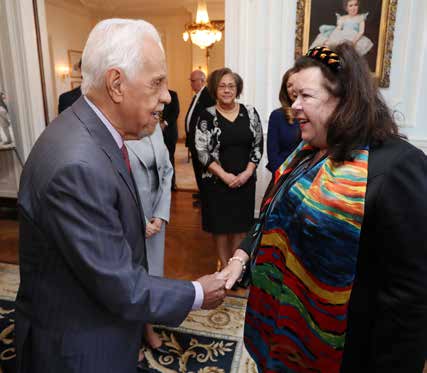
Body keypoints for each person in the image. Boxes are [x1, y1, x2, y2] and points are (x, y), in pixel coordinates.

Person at [15, 18, 226, 373]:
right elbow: (118, 285)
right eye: (157, 82)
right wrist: (196, 293)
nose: (165, 96)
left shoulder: (89, 132)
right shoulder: (77, 165)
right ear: (116, 84)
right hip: (80, 349)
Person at [219, 44, 427, 372]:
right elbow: (272, 217)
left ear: (345, 99)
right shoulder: (305, 153)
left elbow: (410, 301)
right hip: (281, 334)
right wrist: (240, 258)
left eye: (306, 96)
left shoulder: (399, 166)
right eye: (293, 96)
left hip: (344, 353)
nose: (294, 107)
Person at [195, 67, 263, 271]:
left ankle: (238, 268)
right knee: (221, 229)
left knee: (242, 228)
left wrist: (247, 173)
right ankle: (225, 269)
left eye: (231, 86)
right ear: (215, 89)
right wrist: (225, 176)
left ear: (237, 89)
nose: (227, 90)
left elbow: (258, 144)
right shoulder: (206, 116)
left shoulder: (250, 112)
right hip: (217, 182)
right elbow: (201, 150)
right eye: (222, 86)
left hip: (245, 181)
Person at [126, 122, 173, 357]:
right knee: (130, 277)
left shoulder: (154, 128)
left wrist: (161, 214)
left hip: (155, 217)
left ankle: (147, 324)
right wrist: (138, 220)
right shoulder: (119, 130)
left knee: (152, 273)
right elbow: (117, 182)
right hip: (130, 217)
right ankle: (130, 332)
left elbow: (167, 171)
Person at [185, 69, 215, 206]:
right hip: (193, 140)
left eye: (193, 81)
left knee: (202, 169)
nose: (191, 83)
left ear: (202, 80)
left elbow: (208, 118)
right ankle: (202, 192)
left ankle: (205, 198)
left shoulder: (207, 95)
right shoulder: (197, 95)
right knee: (197, 168)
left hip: (200, 141)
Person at [266, 67, 300, 173]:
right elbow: (273, 157)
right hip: (282, 175)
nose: (293, 89)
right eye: (289, 85)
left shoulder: (315, 114)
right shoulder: (277, 116)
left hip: (309, 178)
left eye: (297, 83)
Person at [160, 89, 179, 190]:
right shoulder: (151, 92)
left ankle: (172, 184)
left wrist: (165, 123)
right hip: (154, 133)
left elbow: (175, 112)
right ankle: (160, 184)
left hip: (169, 133)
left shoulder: (172, 94)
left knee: (170, 158)